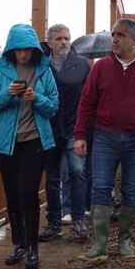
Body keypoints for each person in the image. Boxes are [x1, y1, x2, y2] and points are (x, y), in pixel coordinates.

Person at [74, 18, 135, 261]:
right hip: (105, 136)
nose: (114, 39)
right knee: (101, 187)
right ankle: (99, 243)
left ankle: (125, 241)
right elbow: (86, 103)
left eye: (120, 35)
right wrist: (80, 135)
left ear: (134, 40)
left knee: (130, 189)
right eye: (113, 35)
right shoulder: (101, 67)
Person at [0, 23, 59, 269]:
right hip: (5, 142)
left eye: (27, 49)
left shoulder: (44, 71)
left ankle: (33, 248)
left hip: (35, 140)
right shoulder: (0, 69)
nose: (23, 54)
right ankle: (19, 244)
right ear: (11, 50)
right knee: (12, 192)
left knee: (28, 190)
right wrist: (8, 93)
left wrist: (36, 98)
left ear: (35, 49)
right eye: (18, 50)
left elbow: (53, 107)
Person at [39, 24, 91, 242]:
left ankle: (78, 219)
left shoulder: (81, 65)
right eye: (59, 39)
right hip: (48, 129)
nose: (64, 43)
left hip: (73, 128)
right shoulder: (40, 65)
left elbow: (89, 98)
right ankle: (54, 223)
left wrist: (87, 130)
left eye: (67, 38)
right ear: (49, 42)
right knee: (51, 178)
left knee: (77, 171)